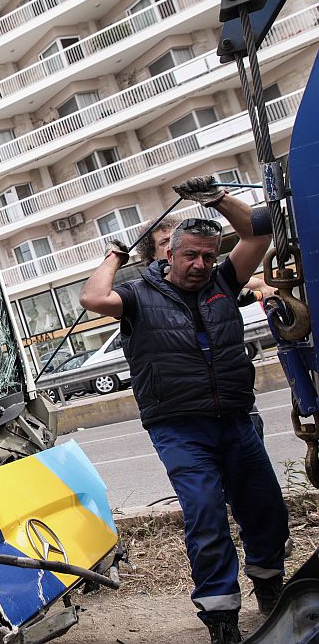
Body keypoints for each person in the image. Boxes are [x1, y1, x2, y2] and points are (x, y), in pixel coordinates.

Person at [80, 176, 289, 644]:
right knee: (206, 515)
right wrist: (114, 255)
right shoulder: (137, 296)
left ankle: (270, 587)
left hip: (236, 419)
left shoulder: (223, 281)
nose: (199, 264)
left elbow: (258, 234)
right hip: (179, 429)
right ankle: (221, 619)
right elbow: (93, 298)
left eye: (207, 256)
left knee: (265, 509)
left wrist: (216, 199)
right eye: (189, 255)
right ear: (166, 255)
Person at [135, 215, 272, 439]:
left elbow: (253, 264)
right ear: (155, 255)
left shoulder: (214, 279)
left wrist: (260, 290)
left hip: (235, 407)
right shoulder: (142, 297)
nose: (174, 243)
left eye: (176, 238)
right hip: (186, 417)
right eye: (165, 242)